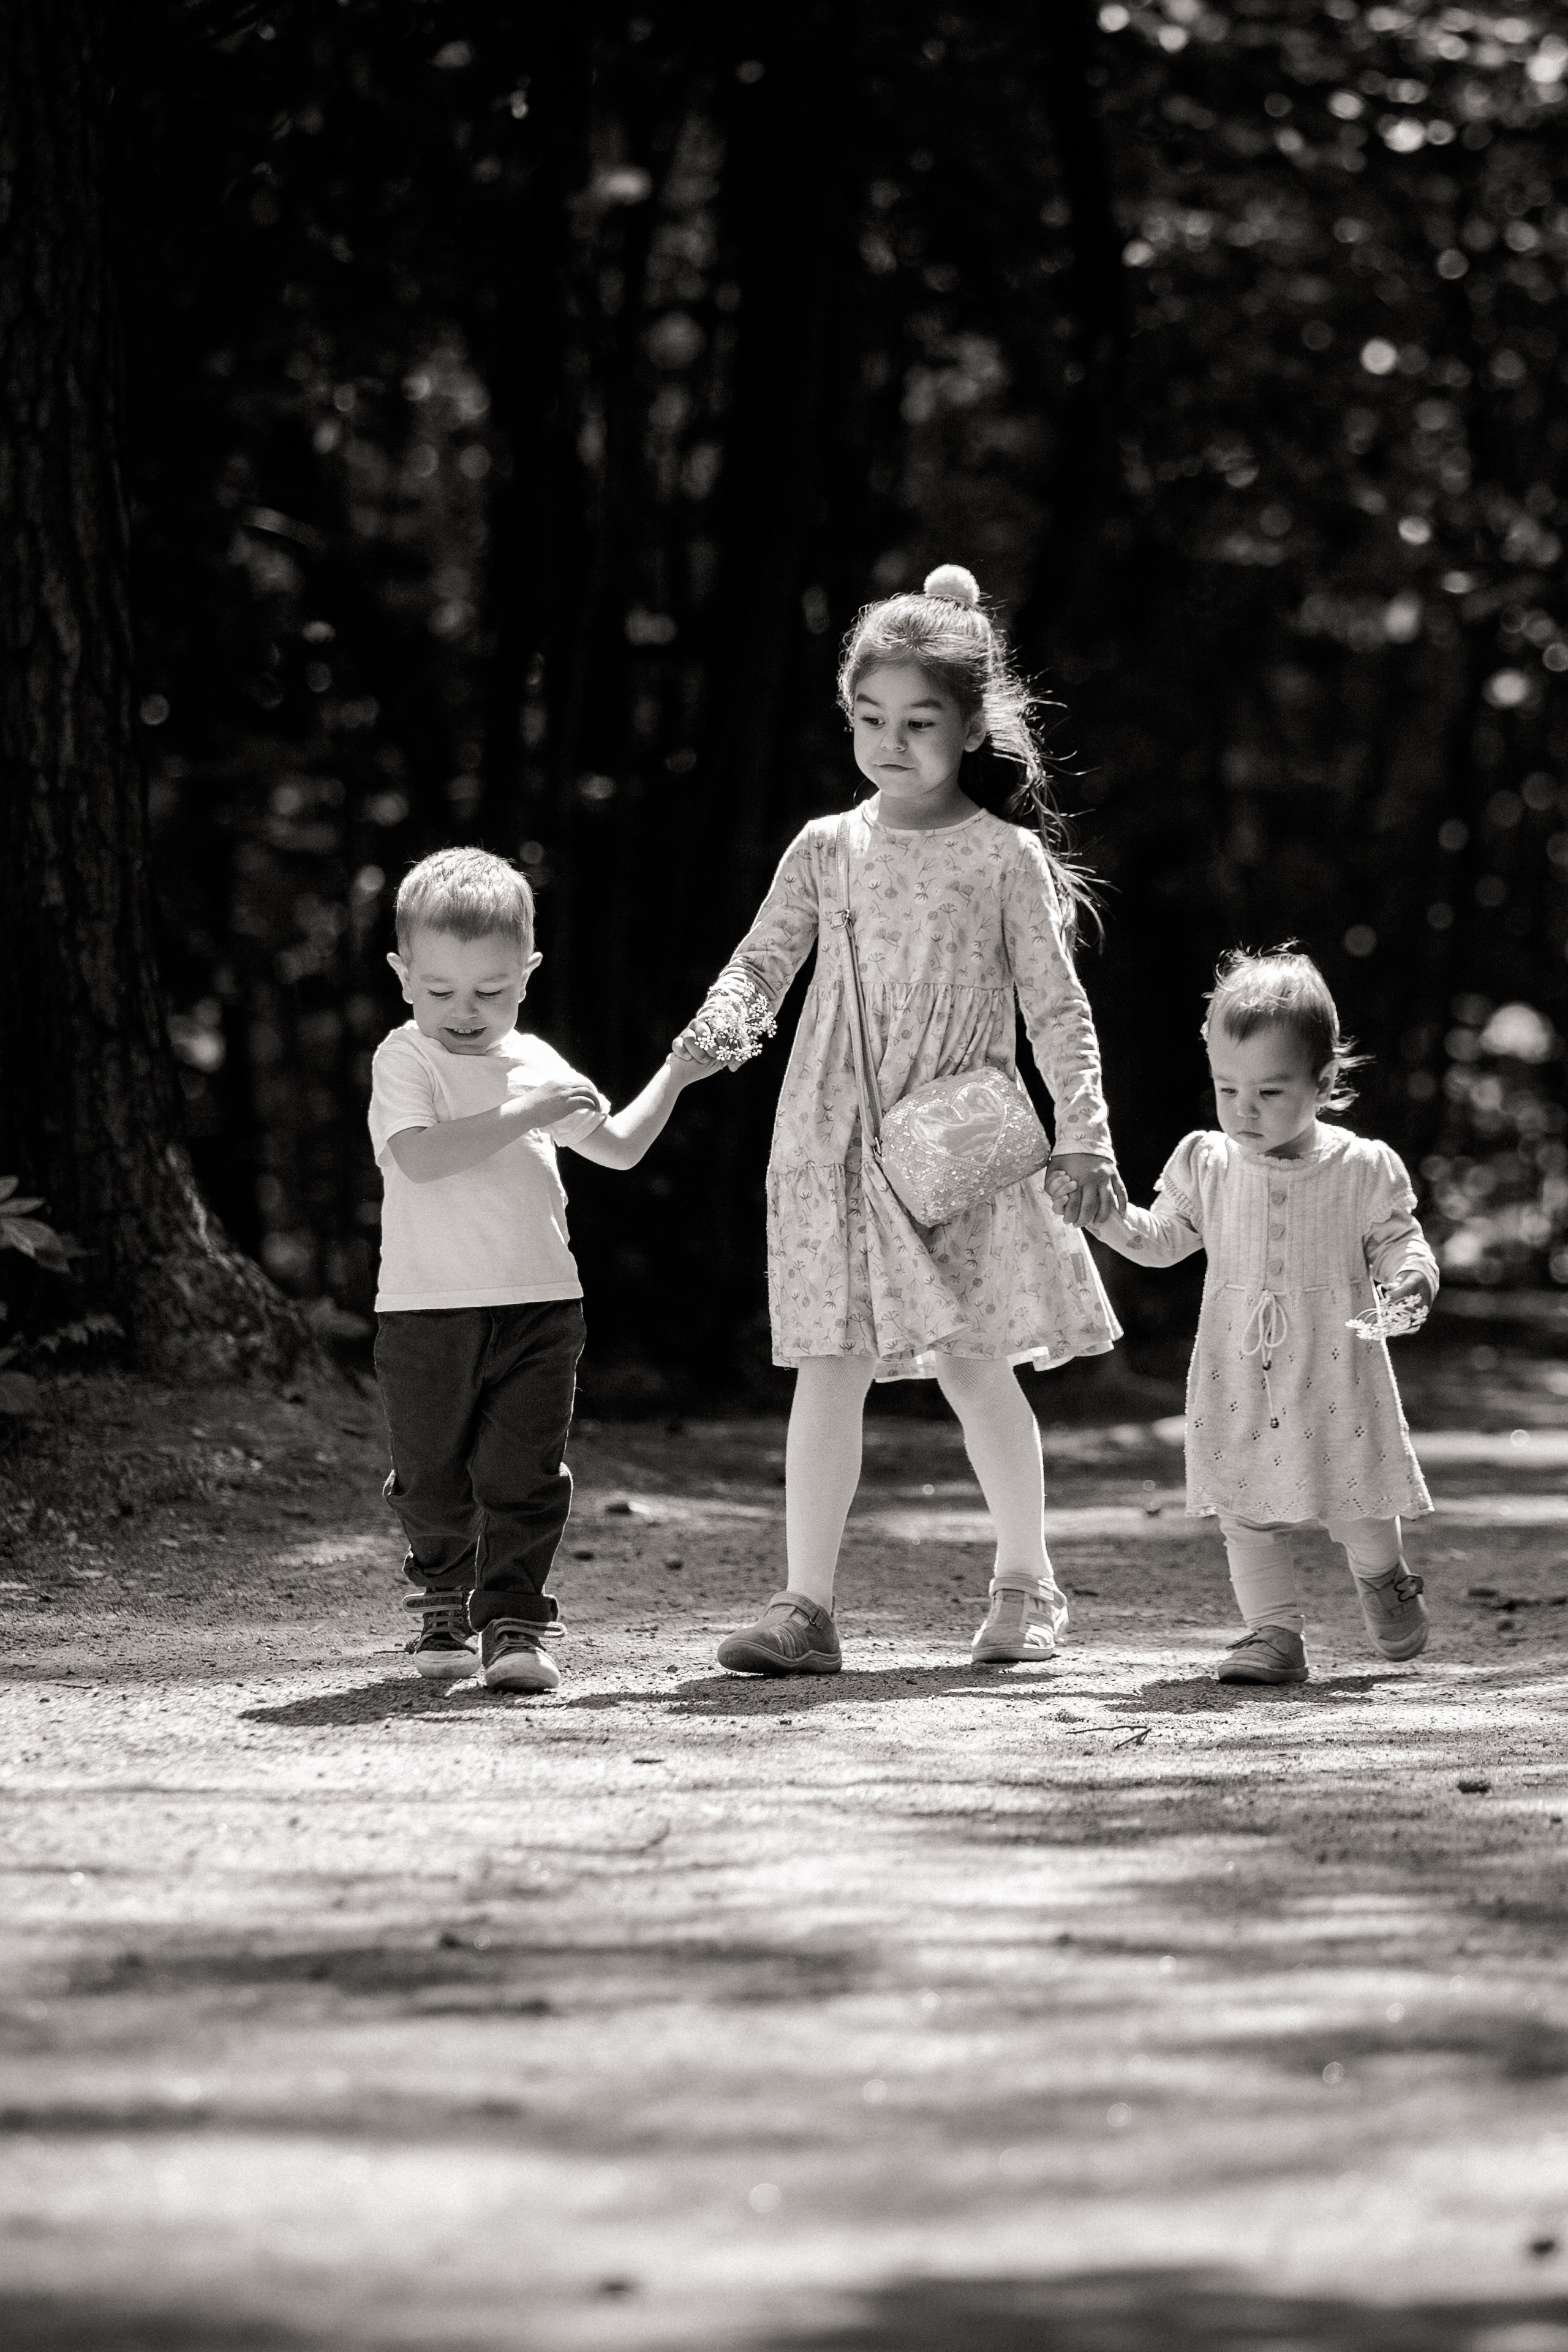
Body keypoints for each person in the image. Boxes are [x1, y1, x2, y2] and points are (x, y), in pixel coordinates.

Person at [674, 564, 1126, 1678]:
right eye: (870, 719)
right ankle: (805, 1608)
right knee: (830, 1362)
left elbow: (1055, 1008)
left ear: (971, 727)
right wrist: (706, 1042)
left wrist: (1086, 1136)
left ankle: (1028, 1584)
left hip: (960, 1146)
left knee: (977, 1366)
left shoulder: (1005, 858)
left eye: (920, 722)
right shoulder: (826, 847)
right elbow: (762, 964)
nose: (891, 741)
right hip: (833, 1138)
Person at [369, 847, 713, 1695]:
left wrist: (677, 1072)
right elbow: (420, 1158)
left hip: (542, 1304)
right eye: (440, 989)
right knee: (432, 1475)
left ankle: (516, 1624)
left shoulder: (541, 1061)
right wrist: (526, 1111)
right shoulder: (404, 1058)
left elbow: (620, 1148)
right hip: (427, 1309)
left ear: (527, 974)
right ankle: (442, 1601)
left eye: (490, 991)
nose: (464, 1011)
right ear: (402, 974)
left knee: (524, 1474)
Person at [1077, 946, 1439, 1686]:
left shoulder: (1360, 1167)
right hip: (1240, 1370)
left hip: (1334, 1367)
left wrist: (1410, 1278)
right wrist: (1108, 1220)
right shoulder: (1206, 1162)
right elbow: (1162, 1241)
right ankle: (1272, 1635)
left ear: (1323, 1083)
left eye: (1270, 1092)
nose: (1244, 1109)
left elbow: (1399, 1239)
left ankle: (1383, 1577)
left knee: (1358, 1502)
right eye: (1227, 1087)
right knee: (1244, 1510)